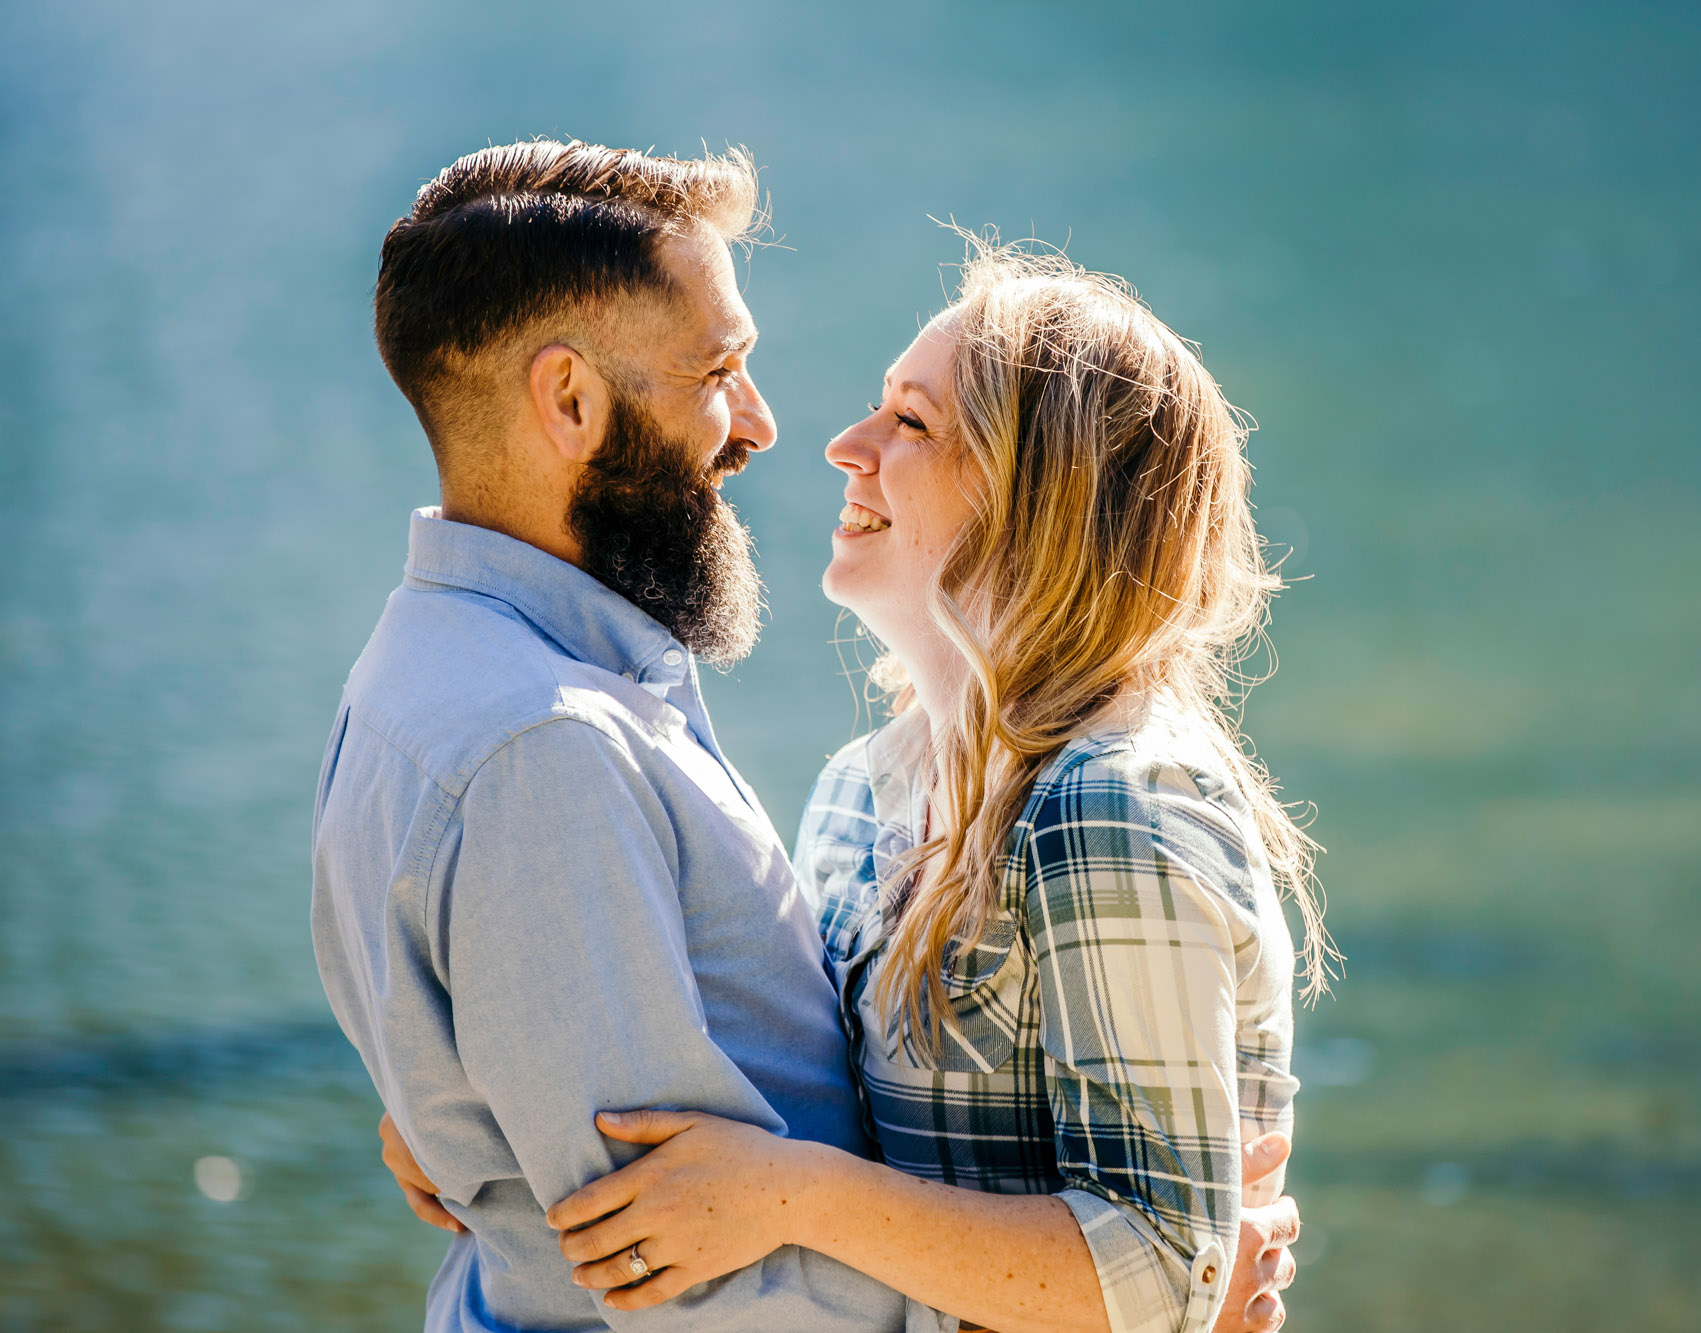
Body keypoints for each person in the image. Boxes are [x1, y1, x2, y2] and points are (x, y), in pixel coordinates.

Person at [320, 138, 1300, 1333]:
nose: (818, 437)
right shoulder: (855, 790)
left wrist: (788, 1193)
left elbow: (1159, 1271)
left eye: (912, 421)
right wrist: (478, 1110)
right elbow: (768, 1111)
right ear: (569, 400)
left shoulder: (1107, 804)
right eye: (720, 367)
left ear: (1037, 497)